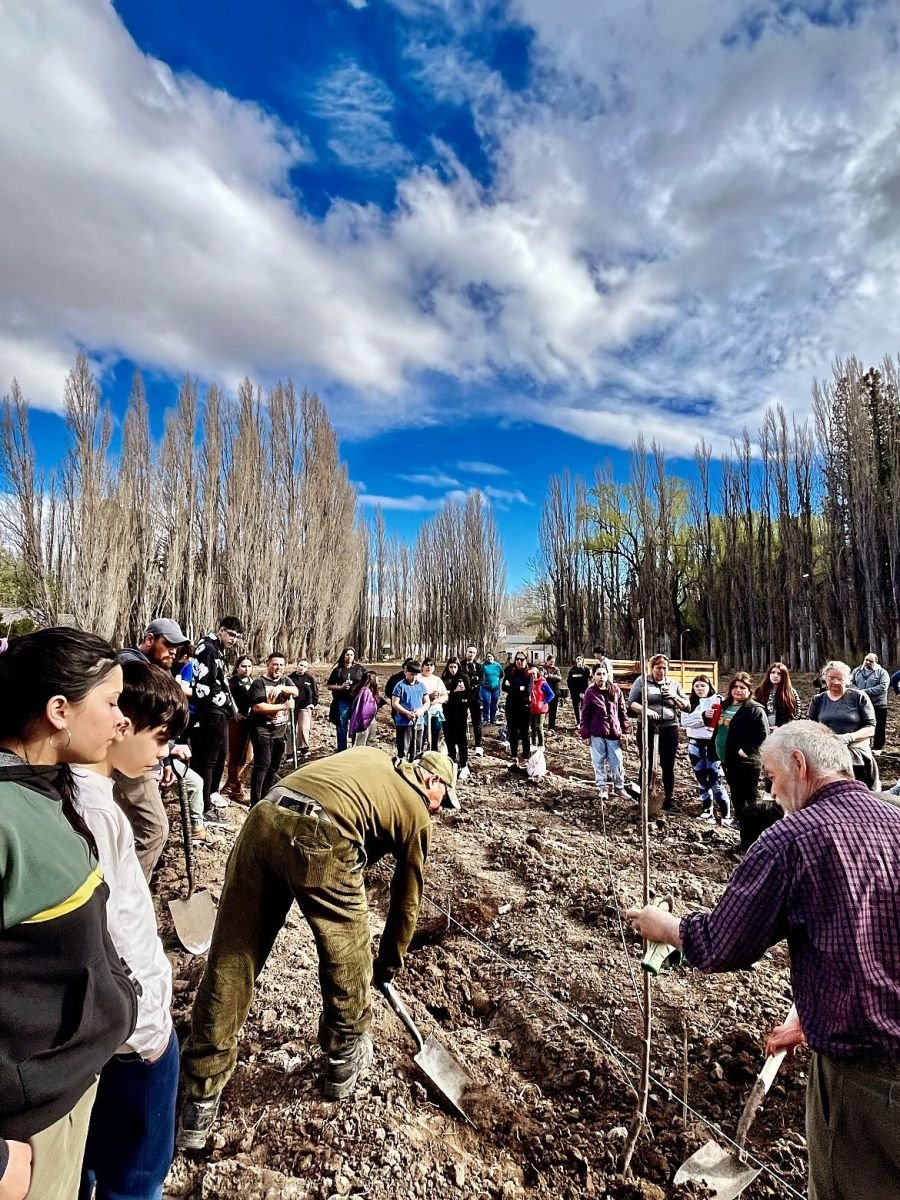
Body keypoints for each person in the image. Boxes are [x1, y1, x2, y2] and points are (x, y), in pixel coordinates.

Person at [626, 721, 900, 1200]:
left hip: (866, 1077)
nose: (771, 792)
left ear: (800, 764)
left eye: (771, 777)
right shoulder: (895, 819)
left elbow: (722, 942)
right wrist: (812, 1019)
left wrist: (663, 926)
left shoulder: (791, 840)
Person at [177, 748, 460, 1151]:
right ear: (432, 781)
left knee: (233, 956)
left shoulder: (371, 756)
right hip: (319, 834)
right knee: (348, 950)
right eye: (442, 801)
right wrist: (387, 964)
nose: (439, 811)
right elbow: (406, 901)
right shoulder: (416, 812)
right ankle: (344, 1055)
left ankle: (200, 1097)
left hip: (263, 817)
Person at [0, 629, 138, 1200]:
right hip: (20, 1137)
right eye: (111, 702)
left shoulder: (48, 795)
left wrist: (120, 994)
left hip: (59, 1097)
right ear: (59, 711)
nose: (122, 721)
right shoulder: (6, 820)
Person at [75, 661, 187, 1200]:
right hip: (135, 1040)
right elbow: (116, 933)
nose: (164, 750)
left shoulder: (82, 798)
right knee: (136, 1179)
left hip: (108, 1034)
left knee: (90, 1162)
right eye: (161, 737)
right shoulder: (97, 814)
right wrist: (148, 1033)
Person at [116, 617, 191, 880]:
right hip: (132, 761)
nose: (174, 651)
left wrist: (166, 760)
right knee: (155, 828)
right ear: (149, 639)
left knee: (128, 826)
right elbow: (147, 720)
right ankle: (130, 895)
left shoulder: (157, 667)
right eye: (168, 644)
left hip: (148, 759)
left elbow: (162, 724)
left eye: (177, 647)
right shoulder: (131, 665)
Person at [709, 672, 769, 850]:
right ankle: (744, 841)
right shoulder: (726, 705)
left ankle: (755, 842)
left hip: (746, 763)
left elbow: (763, 734)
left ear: (749, 690)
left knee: (749, 801)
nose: (738, 690)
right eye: (735, 687)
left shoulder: (754, 709)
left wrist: (747, 750)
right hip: (728, 760)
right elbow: (717, 726)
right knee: (737, 800)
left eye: (743, 688)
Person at [190, 616, 244, 811]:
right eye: (230, 634)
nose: (233, 639)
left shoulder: (218, 650)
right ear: (221, 630)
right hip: (210, 709)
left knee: (221, 754)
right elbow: (206, 683)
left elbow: (222, 681)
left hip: (220, 710)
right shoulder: (207, 648)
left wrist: (232, 708)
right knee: (209, 758)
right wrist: (224, 703)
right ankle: (203, 804)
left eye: (237, 636)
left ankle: (212, 793)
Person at [626, 655, 688, 812]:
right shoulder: (641, 682)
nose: (662, 670)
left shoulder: (674, 684)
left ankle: (669, 799)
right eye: (658, 667)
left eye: (665, 667)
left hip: (669, 728)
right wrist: (645, 710)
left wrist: (674, 696)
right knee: (646, 763)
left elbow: (686, 705)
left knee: (668, 765)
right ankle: (644, 797)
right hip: (647, 727)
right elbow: (631, 702)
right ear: (652, 668)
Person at [808, 660, 878, 790]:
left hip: (857, 755)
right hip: (827, 755)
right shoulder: (818, 700)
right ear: (825, 678)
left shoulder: (859, 697)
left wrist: (848, 737)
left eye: (839, 678)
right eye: (831, 678)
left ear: (848, 680)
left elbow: (870, 728)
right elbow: (810, 727)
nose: (835, 682)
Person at [247, 653, 298, 807]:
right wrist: (284, 706)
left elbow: (296, 691)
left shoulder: (285, 681)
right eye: (275, 664)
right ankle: (255, 802)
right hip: (262, 730)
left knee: (274, 765)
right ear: (268, 664)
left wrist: (282, 688)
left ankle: (265, 797)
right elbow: (257, 707)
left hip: (280, 731)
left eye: (281, 665)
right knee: (262, 764)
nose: (278, 668)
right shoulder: (258, 683)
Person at [680, 674, 731, 823]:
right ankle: (707, 809)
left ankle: (725, 813)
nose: (700, 689)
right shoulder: (689, 703)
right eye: (697, 686)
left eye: (703, 685)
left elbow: (720, 722)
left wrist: (705, 721)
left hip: (712, 744)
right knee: (701, 778)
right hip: (695, 743)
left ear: (709, 686)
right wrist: (703, 717)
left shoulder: (718, 700)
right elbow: (685, 721)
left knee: (716, 778)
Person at [578, 662, 629, 799]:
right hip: (597, 732)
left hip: (613, 732)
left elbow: (622, 712)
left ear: (608, 675)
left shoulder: (616, 690)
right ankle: (602, 787)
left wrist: (625, 730)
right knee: (599, 762)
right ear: (593, 676)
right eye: (598, 674)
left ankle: (619, 787)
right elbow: (585, 714)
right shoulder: (590, 692)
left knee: (617, 762)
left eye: (604, 674)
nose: (601, 677)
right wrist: (585, 734)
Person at [224, 655, 254, 802]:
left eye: (249, 666)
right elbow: (225, 700)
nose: (246, 669)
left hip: (250, 722)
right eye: (243, 666)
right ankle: (235, 788)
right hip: (236, 722)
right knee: (235, 756)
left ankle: (229, 783)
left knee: (248, 756)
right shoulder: (231, 684)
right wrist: (233, 713)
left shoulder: (253, 682)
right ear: (237, 667)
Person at [850, 652, 890, 754]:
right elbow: (850, 682)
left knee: (879, 726)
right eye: (866, 660)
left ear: (876, 662)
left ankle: (878, 748)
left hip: (878, 704)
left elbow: (883, 687)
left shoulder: (882, 673)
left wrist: (865, 692)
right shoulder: (857, 671)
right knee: (861, 725)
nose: (867, 662)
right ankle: (863, 746)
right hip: (860, 704)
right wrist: (858, 691)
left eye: (870, 661)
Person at [326, 649, 365, 753]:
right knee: (342, 726)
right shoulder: (338, 670)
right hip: (342, 701)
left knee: (356, 725)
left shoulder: (359, 669)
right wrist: (341, 687)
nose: (349, 657)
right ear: (343, 656)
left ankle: (354, 749)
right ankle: (342, 750)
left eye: (351, 655)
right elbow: (329, 686)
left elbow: (368, 680)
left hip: (356, 702)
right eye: (347, 655)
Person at [390, 659, 429, 761]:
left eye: (416, 675)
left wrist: (421, 711)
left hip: (418, 721)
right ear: (405, 672)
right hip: (404, 723)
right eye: (411, 674)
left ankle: (414, 763)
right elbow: (395, 703)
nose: (414, 677)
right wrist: (406, 713)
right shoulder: (400, 686)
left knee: (416, 748)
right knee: (403, 749)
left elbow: (427, 702)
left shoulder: (421, 686)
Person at [502, 653, 533, 773]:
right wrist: (519, 688)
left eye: (522, 659)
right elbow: (504, 687)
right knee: (512, 732)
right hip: (511, 706)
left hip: (524, 707)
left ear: (526, 660)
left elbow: (528, 691)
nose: (519, 661)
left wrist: (513, 687)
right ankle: (513, 755)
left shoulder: (528, 674)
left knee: (525, 733)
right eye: (517, 659)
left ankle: (525, 757)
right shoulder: (511, 672)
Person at [442, 657, 472, 782]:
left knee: (461, 739)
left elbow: (468, 693)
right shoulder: (444, 679)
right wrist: (454, 693)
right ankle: (452, 761)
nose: (453, 669)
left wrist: (453, 694)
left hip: (460, 711)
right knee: (449, 738)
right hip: (447, 712)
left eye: (455, 667)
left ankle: (464, 764)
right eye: (450, 667)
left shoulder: (463, 678)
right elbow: (444, 696)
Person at [753, 661, 800, 731]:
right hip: (762, 730)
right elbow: (754, 711)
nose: (775, 675)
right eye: (773, 672)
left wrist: (781, 727)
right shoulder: (760, 691)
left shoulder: (791, 692)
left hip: (783, 732)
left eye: (779, 674)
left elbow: (797, 714)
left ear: (784, 676)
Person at [289, 656, 319, 760]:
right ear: (297, 665)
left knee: (303, 728)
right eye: (301, 665)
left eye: (304, 666)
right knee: (290, 729)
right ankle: (290, 751)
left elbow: (315, 693)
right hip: (292, 707)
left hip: (305, 707)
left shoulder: (310, 679)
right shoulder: (290, 678)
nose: (302, 668)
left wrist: (313, 704)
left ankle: (303, 748)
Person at [348, 671, 384, 747]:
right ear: (371, 679)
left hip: (370, 720)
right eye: (376, 679)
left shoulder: (371, 691)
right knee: (361, 744)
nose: (378, 681)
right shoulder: (364, 691)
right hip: (364, 723)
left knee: (371, 742)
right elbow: (362, 710)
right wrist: (362, 724)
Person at [420, 658, 448, 752]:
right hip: (422, 711)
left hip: (435, 711)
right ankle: (417, 754)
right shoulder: (418, 679)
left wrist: (435, 701)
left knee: (435, 735)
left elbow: (445, 696)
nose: (429, 667)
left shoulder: (437, 680)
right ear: (422, 666)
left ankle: (433, 753)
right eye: (427, 665)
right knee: (421, 736)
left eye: (431, 665)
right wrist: (428, 697)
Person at [461, 645, 484, 757]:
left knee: (477, 722)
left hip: (475, 698)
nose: (471, 654)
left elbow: (481, 680)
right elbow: (460, 679)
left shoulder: (479, 667)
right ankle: (462, 743)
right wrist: (472, 681)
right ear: (466, 652)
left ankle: (478, 745)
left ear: (476, 654)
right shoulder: (460, 665)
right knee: (461, 721)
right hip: (463, 697)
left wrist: (472, 682)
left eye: (473, 653)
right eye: (469, 652)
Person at [529, 666, 555, 749]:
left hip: (541, 709)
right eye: (531, 674)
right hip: (532, 708)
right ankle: (533, 744)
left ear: (537, 673)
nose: (532, 675)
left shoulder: (542, 683)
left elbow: (551, 694)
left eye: (534, 673)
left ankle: (541, 744)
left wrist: (544, 702)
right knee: (532, 727)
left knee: (539, 726)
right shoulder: (529, 683)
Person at [567, 655, 591, 723]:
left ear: (583, 660)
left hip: (584, 691)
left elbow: (587, 680)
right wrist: (573, 691)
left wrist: (584, 692)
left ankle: (585, 721)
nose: (578, 660)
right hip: (575, 692)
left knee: (585, 707)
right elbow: (569, 681)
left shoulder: (586, 669)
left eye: (580, 659)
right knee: (576, 707)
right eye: (577, 659)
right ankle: (578, 721)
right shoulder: (572, 670)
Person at [543, 656, 563, 732]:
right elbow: (542, 676)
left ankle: (551, 727)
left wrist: (549, 676)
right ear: (547, 661)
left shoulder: (556, 669)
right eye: (550, 661)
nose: (552, 663)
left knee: (553, 711)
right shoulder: (543, 668)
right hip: (545, 693)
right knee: (543, 709)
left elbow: (559, 678)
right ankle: (542, 725)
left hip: (554, 693)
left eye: (553, 662)